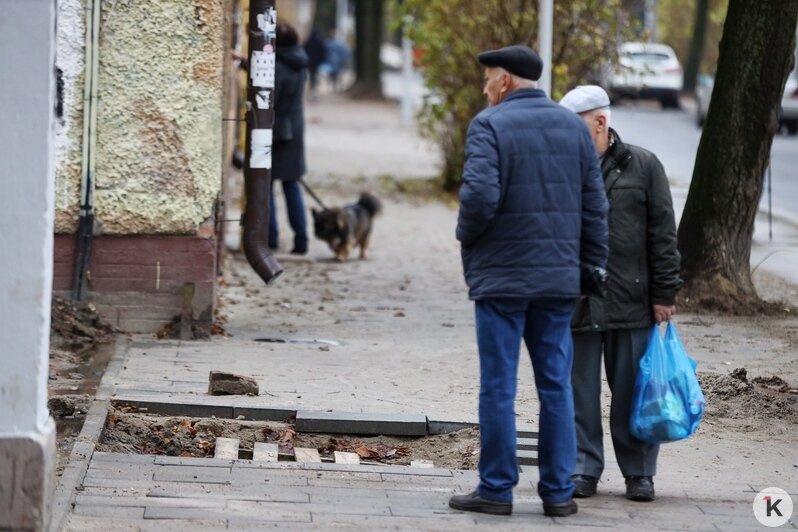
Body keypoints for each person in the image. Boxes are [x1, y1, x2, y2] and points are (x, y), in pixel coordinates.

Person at [449, 46, 609, 518]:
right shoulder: (570, 126)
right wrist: (592, 267)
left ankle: (496, 489)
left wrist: (466, 238)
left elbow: (478, 197)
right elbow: (595, 205)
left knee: (498, 384)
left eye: (487, 81)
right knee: (556, 385)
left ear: (503, 82)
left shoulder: (490, 124)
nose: (484, 90)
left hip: (501, 280)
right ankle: (558, 493)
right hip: (559, 281)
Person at [559, 85, 683, 502]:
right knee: (580, 392)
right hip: (577, 300)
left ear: (600, 122)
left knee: (633, 391)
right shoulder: (563, 168)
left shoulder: (644, 166)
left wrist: (664, 293)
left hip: (632, 299)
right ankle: (583, 468)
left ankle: (639, 473)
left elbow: (663, 236)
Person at [271, 23, 310, 254]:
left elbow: (269, 98)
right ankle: (301, 239)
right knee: (291, 183)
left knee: (264, 185)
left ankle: (269, 237)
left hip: (276, 133)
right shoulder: (299, 60)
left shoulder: (277, 66)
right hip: (294, 130)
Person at [303, 29, 326, 99]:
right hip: (316, 62)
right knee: (314, 74)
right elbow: (322, 51)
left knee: (311, 74)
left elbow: (304, 50)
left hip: (309, 61)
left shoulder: (308, 41)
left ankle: (312, 86)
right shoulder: (319, 41)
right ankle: (314, 88)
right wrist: (322, 59)